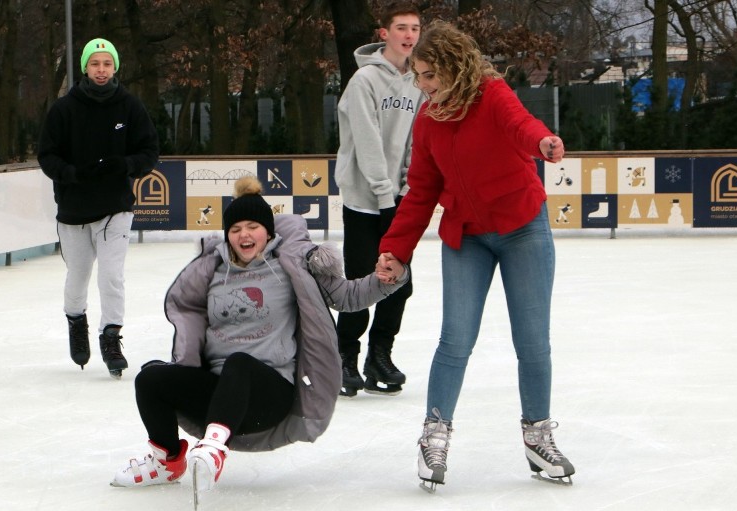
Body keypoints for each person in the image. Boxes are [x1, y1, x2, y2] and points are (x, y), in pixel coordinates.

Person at [110, 176, 408, 489]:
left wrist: (388, 279)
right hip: (219, 390)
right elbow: (190, 315)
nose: (244, 235)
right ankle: (167, 461)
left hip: (269, 395)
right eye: (235, 229)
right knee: (151, 378)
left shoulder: (294, 265)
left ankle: (213, 447)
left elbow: (348, 297)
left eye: (252, 226)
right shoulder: (212, 270)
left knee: (240, 363)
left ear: (268, 231)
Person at [377, 20, 575, 490]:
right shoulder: (427, 121)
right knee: (455, 339)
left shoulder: (491, 92)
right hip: (466, 235)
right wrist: (395, 251)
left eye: (428, 75)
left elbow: (520, 124)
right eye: (418, 76)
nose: (422, 86)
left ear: (452, 66)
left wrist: (543, 142)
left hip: (522, 228)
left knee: (532, 342)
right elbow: (421, 192)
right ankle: (434, 435)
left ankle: (537, 434)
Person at [38, 38, 159, 378]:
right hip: (74, 209)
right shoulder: (64, 109)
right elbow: (47, 154)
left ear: (115, 67)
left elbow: (149, 151)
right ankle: (77, 322)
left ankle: (111, 336)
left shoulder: (130, 107)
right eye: (95, 64)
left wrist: (125, 165)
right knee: (78, 276)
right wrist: (70, 174)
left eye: (107, 64)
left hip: (114, 207)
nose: (101, 70)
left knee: (111, 275)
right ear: (85, 68)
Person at [333, 1, 423, 397]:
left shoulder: (419, 82)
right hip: (364, 200)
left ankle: (380, 356)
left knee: (399, 282)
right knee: (361, 281)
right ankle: (344, 358)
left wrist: (406, 188)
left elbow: (415, 140)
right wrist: (385, 193)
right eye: (401, 27)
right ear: (383, 34)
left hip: (400, 197)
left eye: (415, 29)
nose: (409, 35)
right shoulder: (364, 80)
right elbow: (367, 142)